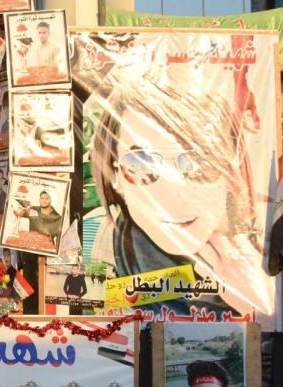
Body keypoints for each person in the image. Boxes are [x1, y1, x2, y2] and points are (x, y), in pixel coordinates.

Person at [90, 76, 270, 316]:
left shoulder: (271, 237)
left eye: (199, 162)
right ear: (115, 175)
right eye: (141, 165)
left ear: (229, 165)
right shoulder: (99, 242)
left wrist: (269, 309)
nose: (175, 195)